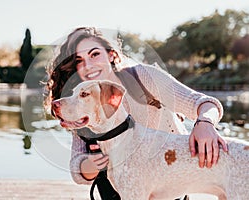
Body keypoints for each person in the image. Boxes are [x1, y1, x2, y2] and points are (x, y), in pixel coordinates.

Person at [45, 27, 228, 187]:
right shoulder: (82, 102)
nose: (89, 65)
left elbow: (204, 103)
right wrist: (94, 163)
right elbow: (77, 169)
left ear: (111, 54)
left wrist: (204, 123)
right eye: (79, 60)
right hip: (123, 187)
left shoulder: (144, 77)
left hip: (170, 178)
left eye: (95, 54)